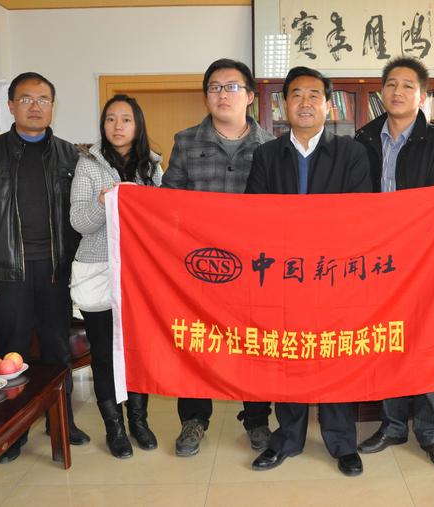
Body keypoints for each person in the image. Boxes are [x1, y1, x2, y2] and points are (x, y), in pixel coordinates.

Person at [247, 66, 371, 476]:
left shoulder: (352, 153)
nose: (304, 102)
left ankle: (342, 443)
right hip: (284, 278)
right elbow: (255, 217)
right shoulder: (266, 155)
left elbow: (359, 216)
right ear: (283, 105)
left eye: (313, 95)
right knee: (289, 357)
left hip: (334, 276)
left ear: (328, 106)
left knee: (335, 356)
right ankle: (287, 438)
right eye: (296, 94)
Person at [0, 71, 90, 463]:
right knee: (11, 354)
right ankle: (13, 432)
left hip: (55, 270)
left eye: (43, 99)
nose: (35, 106)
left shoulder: (70, 155)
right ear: (11, 105)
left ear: (53, 106)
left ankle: (61, 420)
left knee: (57, 351)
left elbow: (81, 214)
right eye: (27, 99)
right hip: (7, 270)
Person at [162, 58, 275, 457]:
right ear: (206, 96)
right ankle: (194, 419)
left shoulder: (270, 145)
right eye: (214, 87)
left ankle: (257, 419)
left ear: (250, 95)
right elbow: (168, 202)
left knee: (254, 342)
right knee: (197, 343)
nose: (223, 94)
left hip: (253, 268)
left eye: (232, 87)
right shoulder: (186, 141)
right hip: (199, 265)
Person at [354, 57, 434, 469]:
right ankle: (393, 424)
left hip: (423, 259)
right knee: (386, 341)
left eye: (407, 85)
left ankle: (432, 433)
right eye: (391, 84)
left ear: (422, 95)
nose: (398, 92)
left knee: (426, 342)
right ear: (382, 91)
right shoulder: (364, 138)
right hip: (378, 262)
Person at [70, 94, 161, 459]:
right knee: (105, 354)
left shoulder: (152, 166)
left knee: (139, 352)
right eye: (110, 119)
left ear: (137, 125)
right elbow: (78, 222)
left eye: (126, 119)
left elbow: (161, 220)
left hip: (139, 274)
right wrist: (103, 202)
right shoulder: (88, 164)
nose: (118, 126)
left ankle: (139, 422)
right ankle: (115, 428)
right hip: (98, 270)